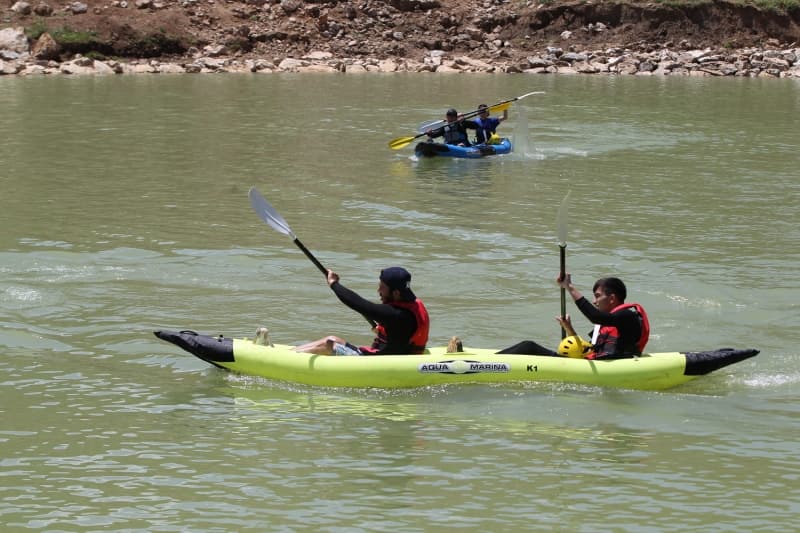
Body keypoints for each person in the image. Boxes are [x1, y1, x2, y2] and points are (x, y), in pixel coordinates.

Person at [497, 274, 650, 359]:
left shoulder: (627, 316)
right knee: (527, 346)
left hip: (614, 365)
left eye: (597, 296)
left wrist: (569, 287)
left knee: (528, 346)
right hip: (596, 362)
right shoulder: (609, 322)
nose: (595, 301)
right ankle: (491, 361)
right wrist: (569, 329)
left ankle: (485, 365)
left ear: (612, 298)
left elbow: (594, 316)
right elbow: (589, 349)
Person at [294, 267, 430, 356]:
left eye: (382, 287)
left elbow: (359, 304)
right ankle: (292, 352)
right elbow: (402, 333)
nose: (378, 291)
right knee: (333, 339)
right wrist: (385, 330)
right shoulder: (414, 304)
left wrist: (334, 284)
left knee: (329, 344)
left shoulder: (395, 314)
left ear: (396, 293)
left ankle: (286, 358)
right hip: (398, 357)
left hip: (381, 366)